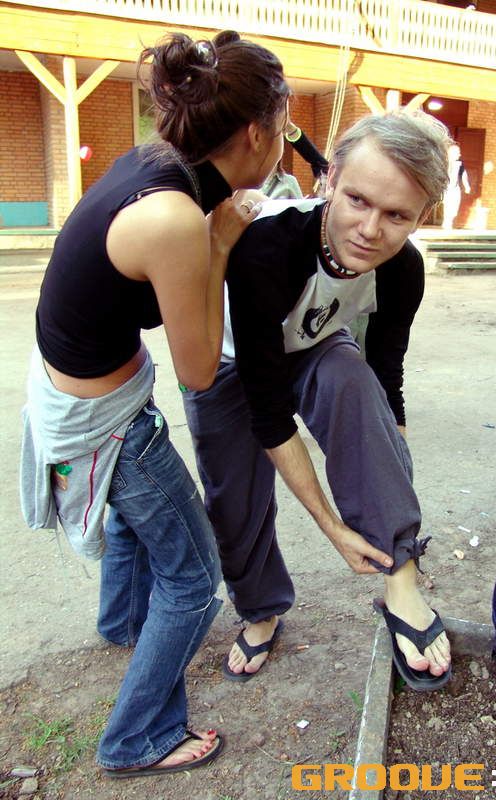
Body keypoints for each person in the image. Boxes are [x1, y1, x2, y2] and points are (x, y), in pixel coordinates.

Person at [20, 30, 290, 778]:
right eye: (285, 125)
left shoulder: (155, 161)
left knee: (138, 522)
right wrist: (221, 243)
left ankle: (123, 624)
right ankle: (137, 738)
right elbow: (199, 372)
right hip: (104, 423)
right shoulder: (174, 218)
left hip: (73, 390)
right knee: (195, 580)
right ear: (255, 132)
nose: (286, 141)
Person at [183, 111, 454, 691]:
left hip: (314, 345)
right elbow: (268, 413)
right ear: (329, 180)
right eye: (357, 200)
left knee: (353, 379)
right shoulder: (269, 246)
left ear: (422, 216)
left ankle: (401, 577)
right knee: (235, 499)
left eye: (397, 215)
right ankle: (261, 610)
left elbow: (386, 377)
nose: (370, 230)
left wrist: (390, 469)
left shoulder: (404, 269)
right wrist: (332, 526)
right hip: (228, 362)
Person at [442, 143, 470, 230]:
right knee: (448, 205)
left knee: (454, 206)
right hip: (446, 189)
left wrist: (467, 186)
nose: (459, 154)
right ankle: (447, 222)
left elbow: (463, 175)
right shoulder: (444, 163)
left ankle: (449, 221)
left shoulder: (459, 164)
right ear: (451, 153)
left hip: (455, 188)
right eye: (458, 152)